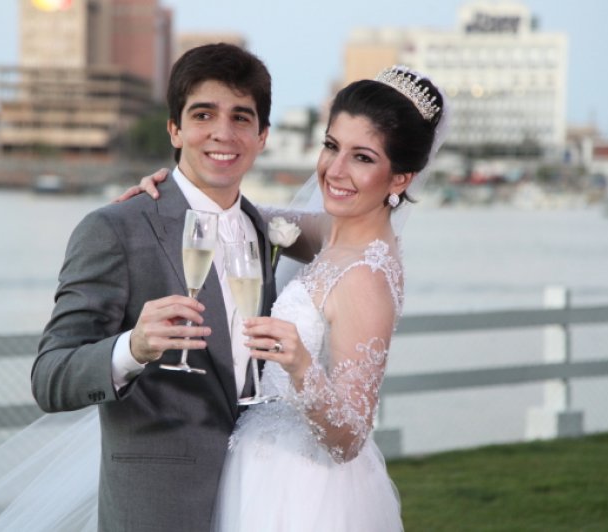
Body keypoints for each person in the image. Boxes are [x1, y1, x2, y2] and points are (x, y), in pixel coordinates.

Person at [123, 65, 448, 531]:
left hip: (302, 490)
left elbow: (349, 438)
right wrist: (174, 190)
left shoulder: (367, 278)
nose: (334, 171)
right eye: (332, 146)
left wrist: (300, 366)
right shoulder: (332, 235)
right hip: (256, 465)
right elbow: (241, 217)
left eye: (362, 158)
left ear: (400, 178)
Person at [30, 42, 277, 532]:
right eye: (203, 114)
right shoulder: (115, 228)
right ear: (175, 129)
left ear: (262, 136)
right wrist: (132, 348)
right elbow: (49, 377)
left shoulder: (267, 232)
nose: (222, 133)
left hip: (260, 503)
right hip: (157, 511)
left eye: (241, 118)